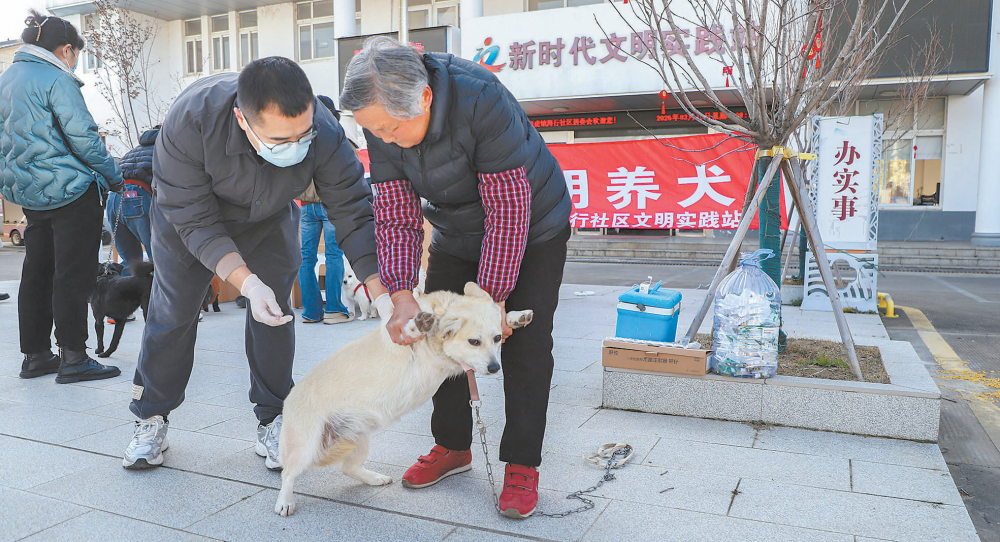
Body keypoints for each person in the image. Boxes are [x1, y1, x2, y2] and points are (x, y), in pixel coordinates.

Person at [340, 37, 571, 519]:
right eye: (371, 131)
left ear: (423, 98)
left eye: (388, 128)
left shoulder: (480, 99)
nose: (381, 138)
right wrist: (401, 294)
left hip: (531, 228)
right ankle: (452, 446)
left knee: (523, 344)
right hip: (454, 231)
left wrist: (492, 302)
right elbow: (395, 214)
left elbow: (508, 210)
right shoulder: (384, 128)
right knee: (437, 336)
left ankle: (522, 463)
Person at [122, 57, 389, 470]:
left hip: (269, 217)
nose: (296, 145)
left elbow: (353, 208)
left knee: (275, 314)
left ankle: (274, 415)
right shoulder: (191, 120)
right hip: (188, 225)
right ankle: (151, 416)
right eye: (281, 140)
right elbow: (193, 218)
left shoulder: (324, 129)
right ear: (243, 121)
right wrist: (244, 282)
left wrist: (379, 288)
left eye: (303, 135)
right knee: (172, 314)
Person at [0, 10, 123, 383]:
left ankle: (36, 355)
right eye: (75, 55)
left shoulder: (6, 79)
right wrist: (114, 176)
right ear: (66, 49)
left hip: (29, 193)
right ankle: (74, 357)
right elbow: (84, 138)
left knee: (36, 272)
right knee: (73, 274)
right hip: (71, 192)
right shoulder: (57, 78)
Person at [297, 96, 352, 325]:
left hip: (306, 206)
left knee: (305, 259)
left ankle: (311, 311)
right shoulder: (339, 139)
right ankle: (334, 310)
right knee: (333, 256)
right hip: (332, 205)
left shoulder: (301, 139)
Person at [107, 126, 159, 271]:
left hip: (114, 198)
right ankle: (155, 294)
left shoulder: (136, 149)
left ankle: (125, 293)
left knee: (130, 262)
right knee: (156, 260)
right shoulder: (166, 148)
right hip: (138, 196)